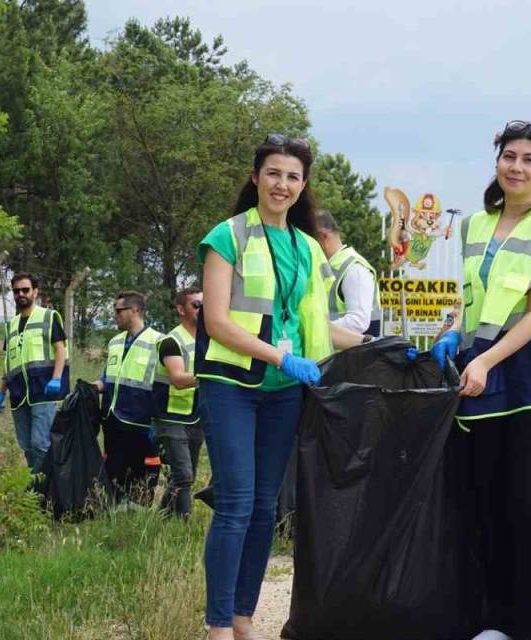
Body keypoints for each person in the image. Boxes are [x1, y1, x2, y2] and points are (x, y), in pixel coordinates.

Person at [195, 134, 364, 640]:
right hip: (231, 384)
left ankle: (244, 617)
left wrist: (378, 346)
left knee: (267, 508)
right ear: (255, 177)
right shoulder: (227, 236)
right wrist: (280, 358)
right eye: (273, 173)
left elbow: (318, 326)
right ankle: (218, 625)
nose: (282, 184)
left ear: (303, 185)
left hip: (283, 391)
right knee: (236, 504)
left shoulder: (309, 248)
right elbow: (219, 322)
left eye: (292, 176)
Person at [430, 120, 531, 640]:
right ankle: (491, 622)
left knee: (528, 506)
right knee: (483, 501)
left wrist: (486, 360)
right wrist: (454, 333)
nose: (516, 167)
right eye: (509, 157)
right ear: (497, 162)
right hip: (482, 374)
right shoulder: (475, 226)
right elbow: (475, 300)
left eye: (528, 160)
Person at [0, 273, 69, 472]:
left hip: (43, 391)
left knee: (40, 443)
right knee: (26, 445)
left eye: (25, 290)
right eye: (16, 291)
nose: (21, 294)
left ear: (35, 292)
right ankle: (34, 485)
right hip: (18, 394)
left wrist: (56, 379)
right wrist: (2, 392)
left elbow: (60, 349)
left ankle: (46, 489)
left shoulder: (48, 317)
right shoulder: (10, 326)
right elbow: (8, 362)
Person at [94, 291, 163, 505]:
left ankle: (138, 513)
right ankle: (114, 510)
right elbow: (108, 377)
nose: (115, 315)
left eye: (118, 310)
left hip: (141, 422)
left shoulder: (159, 342)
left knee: (141, 472)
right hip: (113, 419)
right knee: (114, 470)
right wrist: (94, 386)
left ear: (134, 310)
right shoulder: (115, 342)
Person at [154, 287, 206, 519]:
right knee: (183, 475)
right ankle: (184, 522)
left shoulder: (209, 338)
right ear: (181, 309)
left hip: (196, 415)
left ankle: (163, 518)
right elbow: (178, 378)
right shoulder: (171, 341)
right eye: (196, 305)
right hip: (171, 417)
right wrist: (210, 377)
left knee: (186, 475)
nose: (201, 310)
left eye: (204, 305)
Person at [315, 209, 382, 337]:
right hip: (335, 354)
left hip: (353, 355)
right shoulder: (329, 267)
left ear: (323, 237)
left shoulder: (354, 269)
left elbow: (358, 322)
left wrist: (314, 329)